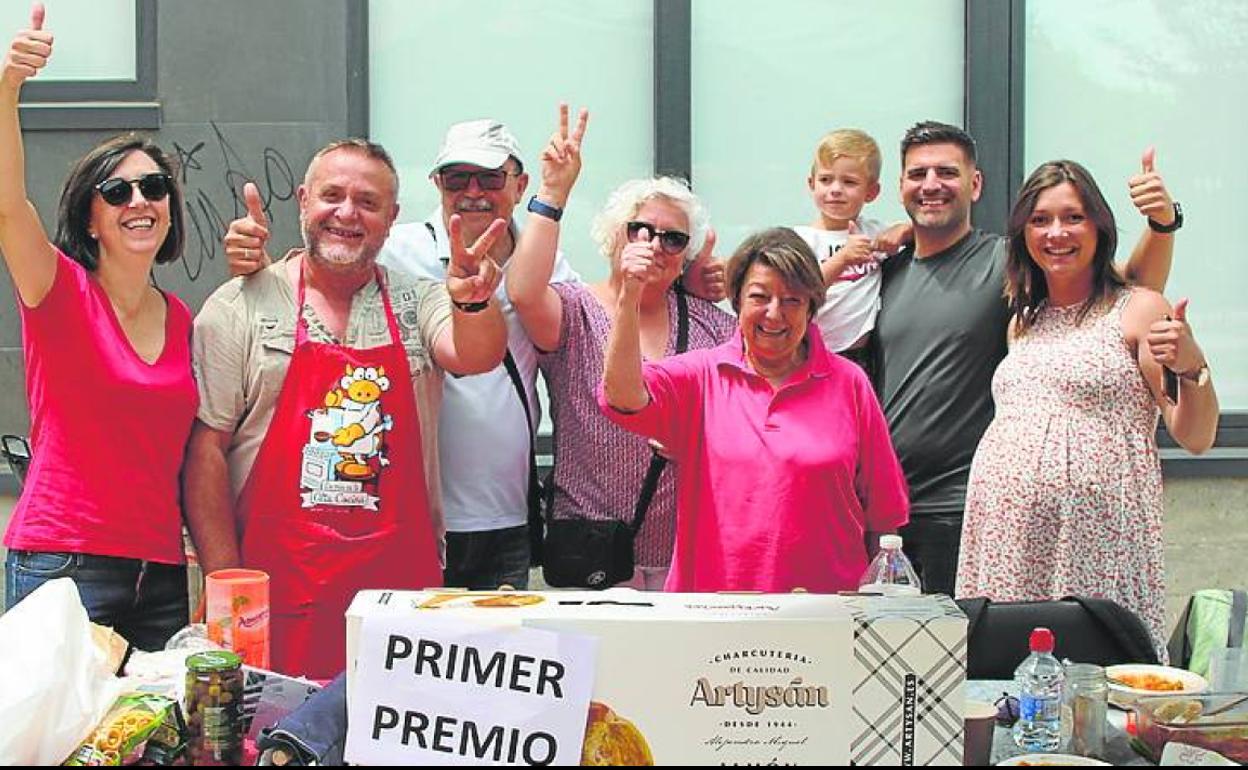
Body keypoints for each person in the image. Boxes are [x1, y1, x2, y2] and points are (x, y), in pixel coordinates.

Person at [183, 138, 507, 679]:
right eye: (332, 195)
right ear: (304, 200)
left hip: (396, 598)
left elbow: (476, 353)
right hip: (273, 596)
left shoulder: (420, 300)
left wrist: (473, 298)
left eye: (368, 202)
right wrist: (228, 587)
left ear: (391, 218)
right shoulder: (241, 304)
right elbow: (206, 451)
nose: (346, 213)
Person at [873, 121, 1179, 596]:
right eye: (918, 173)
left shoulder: (1009, 265)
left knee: (969, 663)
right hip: (889, 512)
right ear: (900, 186)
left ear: (975, 184)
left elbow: (1126, 287)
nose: (931, 184)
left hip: (967, 510)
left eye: (946, 172)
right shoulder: (883, 270)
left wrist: (1162, 224)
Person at [956, 160, 1218, 654]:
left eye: (1073, 217)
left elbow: (1197, 436)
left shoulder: (1137, 306)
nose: (1056, 232)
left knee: (1095, 685)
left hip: (1094, 544)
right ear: (1022, 234)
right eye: (1040, 220)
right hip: (1007, 543)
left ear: (1099, 225)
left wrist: (1191, 365)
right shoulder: (1024, 320)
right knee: (1011, 682)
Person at [0, 4, 196, 650]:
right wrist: (7, 91)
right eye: (118, 192)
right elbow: (7, 207)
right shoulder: (58, 292)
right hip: (64, 564)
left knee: (154, 747)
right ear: (91, 217)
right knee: (55, 748)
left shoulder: (183, 320)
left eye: (154, 188)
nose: (140, 202)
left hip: (160, 575)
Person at [600, 227, 909, 592]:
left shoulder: (849, 383)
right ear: (737, 302)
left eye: (792, 300)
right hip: (716, 614)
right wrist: (628, 296)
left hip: (826, 613)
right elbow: (621, 396)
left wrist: (878, 606)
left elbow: (884, 512)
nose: (774, 314)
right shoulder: (701, 376)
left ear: (812, 306)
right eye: (759, 297)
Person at [507, 105, 735, 590]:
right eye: (641, 230)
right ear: (614, 237)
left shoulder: (711, 324)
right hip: (592, 546)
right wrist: (553, 193)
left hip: (685, 548)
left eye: (673, 239)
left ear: (685, 258)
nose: (654, 244)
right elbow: (524, 291)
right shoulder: (577, 310)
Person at [792, 128, 911, 377]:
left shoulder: (874, 231)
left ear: (871, 192)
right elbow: (800, 291)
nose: (835, 189)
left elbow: (922, 233)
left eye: (849, 182)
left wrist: (904, 229)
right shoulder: (800, 240)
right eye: (826, 180)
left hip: (863, 355)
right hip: (810, 353)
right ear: (811, 185)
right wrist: (843, 258)